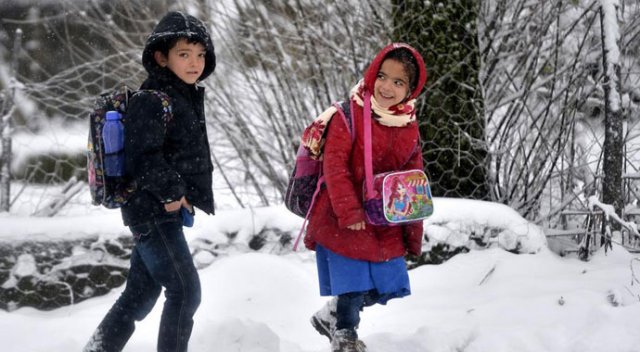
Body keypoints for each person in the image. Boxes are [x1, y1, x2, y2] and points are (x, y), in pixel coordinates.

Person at [83, 11, 216, 352]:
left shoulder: (183, 96)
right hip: (151, 210)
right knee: (185, 291)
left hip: (160, 211)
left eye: (200, 54)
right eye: (184, 54)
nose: (194, 63)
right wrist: (174, 193)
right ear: (161, 57)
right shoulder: (152, 99)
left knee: (141, 293)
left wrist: (183, 195)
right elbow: (143, 157)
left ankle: (99, 347)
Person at [304, 43, 427, 352]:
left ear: (411, 89)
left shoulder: (408, 125)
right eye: (383, 76)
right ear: (372, 73)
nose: (387, 86)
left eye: (398, 82)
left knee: (388, 284)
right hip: (344, 217)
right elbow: (335, 167)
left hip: (385, 219)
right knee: (352, 282)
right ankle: (344, 335)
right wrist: (350, 211)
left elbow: (413, 181)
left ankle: (329, 315)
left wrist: (412, 229)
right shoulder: (349, 115)